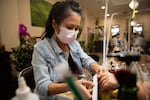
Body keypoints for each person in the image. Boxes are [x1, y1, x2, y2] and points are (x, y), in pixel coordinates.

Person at [31, 0, 117, 100]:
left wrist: (97, 67)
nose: (73, 33)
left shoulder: (74, 44)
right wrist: (72, 86)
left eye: (76, 29)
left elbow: (85, 59)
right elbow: (42, 86)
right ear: (55, 24)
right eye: (69, 27)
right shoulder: (41, 49)